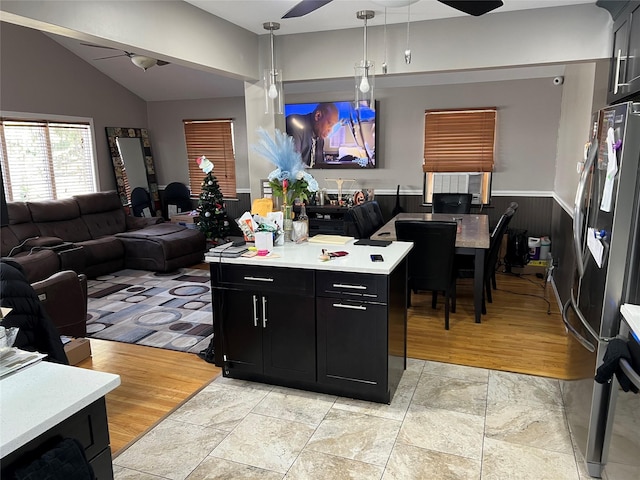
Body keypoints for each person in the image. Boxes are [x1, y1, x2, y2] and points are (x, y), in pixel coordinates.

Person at [286, 102, 339, 167]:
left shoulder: (319, 137)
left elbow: (319, 167)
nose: (331, 130)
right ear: (318, 116)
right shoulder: (295, 125)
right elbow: (294, 166)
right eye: (330, 124)